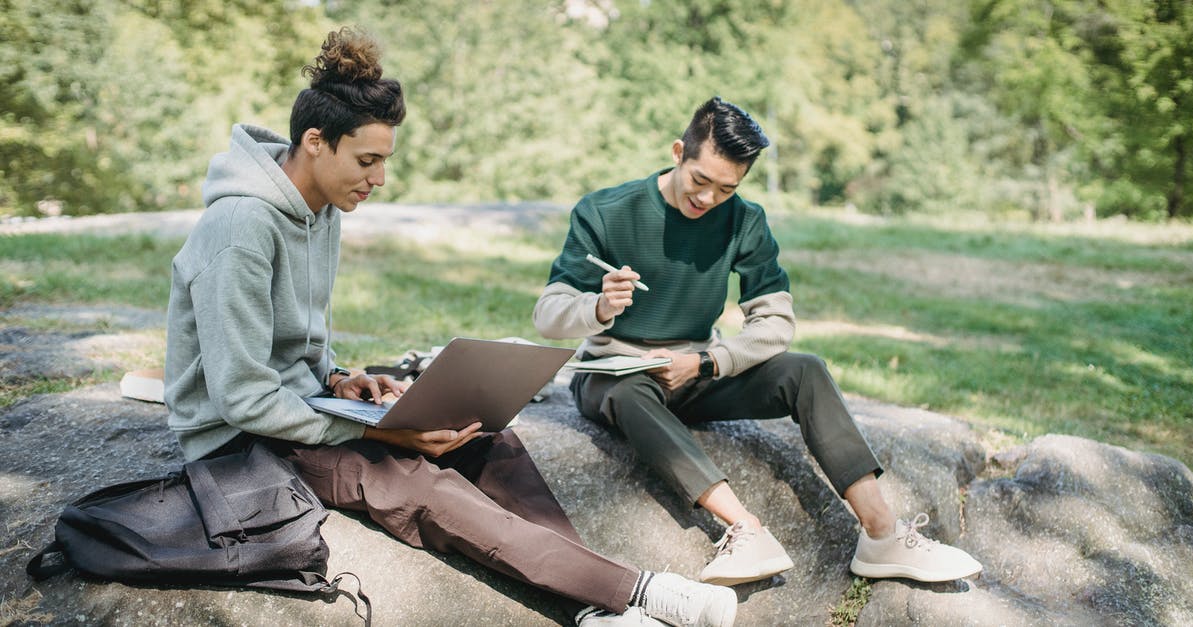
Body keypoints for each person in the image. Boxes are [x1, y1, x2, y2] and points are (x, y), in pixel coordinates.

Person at [164, 28, 737, 627]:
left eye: (384, 160)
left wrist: (340, 380)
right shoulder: (239, 229)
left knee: (484, 439)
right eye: (368, 160)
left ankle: (594, 606)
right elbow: (242, 398)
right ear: (315, 142)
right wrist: (381, 437)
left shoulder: (323, 209)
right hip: (241, 443)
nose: (379, 178)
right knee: (414, 481)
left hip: (299, 407)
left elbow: (293, 345)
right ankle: (639, 593)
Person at [533, 97, 983, 587]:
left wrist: (706, 363)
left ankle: (882, 534)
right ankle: (744, 529)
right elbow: (547, 316)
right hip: (616, 376)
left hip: (698, 371)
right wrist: (596, 308)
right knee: (628, 391)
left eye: (726, 189)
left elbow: (774, 325)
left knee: (805, 369)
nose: (707, 199)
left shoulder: (744, 220)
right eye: (700, 181)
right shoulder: (606, 212)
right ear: (679, 151)